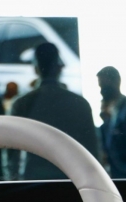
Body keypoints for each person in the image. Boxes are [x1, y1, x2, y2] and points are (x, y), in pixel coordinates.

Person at [9, 42, 100, 179]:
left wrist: (12, 181)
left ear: (36, 68)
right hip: (71, 179)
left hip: (33, 180)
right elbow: (92, 152)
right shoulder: (79, 104)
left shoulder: (22, 103)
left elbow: (12, 154)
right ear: (59, 67)